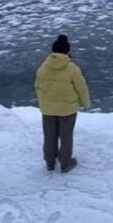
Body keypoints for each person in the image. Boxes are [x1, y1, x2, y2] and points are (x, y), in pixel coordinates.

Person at [34, 34, 91, 173]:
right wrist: (86, 104)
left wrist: (44, 103)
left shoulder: (43, 67)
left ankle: (50, 162)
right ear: (67, 51)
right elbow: (81, 88)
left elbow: (37, 86)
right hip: (67, 109)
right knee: (66, 136)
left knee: (49, 135)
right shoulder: (72, 68)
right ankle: (65, 163)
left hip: (48, 110)